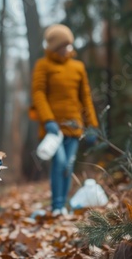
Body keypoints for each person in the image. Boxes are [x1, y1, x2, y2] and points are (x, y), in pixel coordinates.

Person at [31, 24, 98, 216]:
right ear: (53, 47)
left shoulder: (78, 67)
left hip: (74, 126)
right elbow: (39, 93)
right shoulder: (43, 65)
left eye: (68, 45)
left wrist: (92, 126)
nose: (67, 48)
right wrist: (48, 120)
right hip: (53, 129)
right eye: (62, 45)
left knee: (68, 165)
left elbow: (85, 97)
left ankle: (63, 205)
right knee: (59, 162)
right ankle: (56, 205)